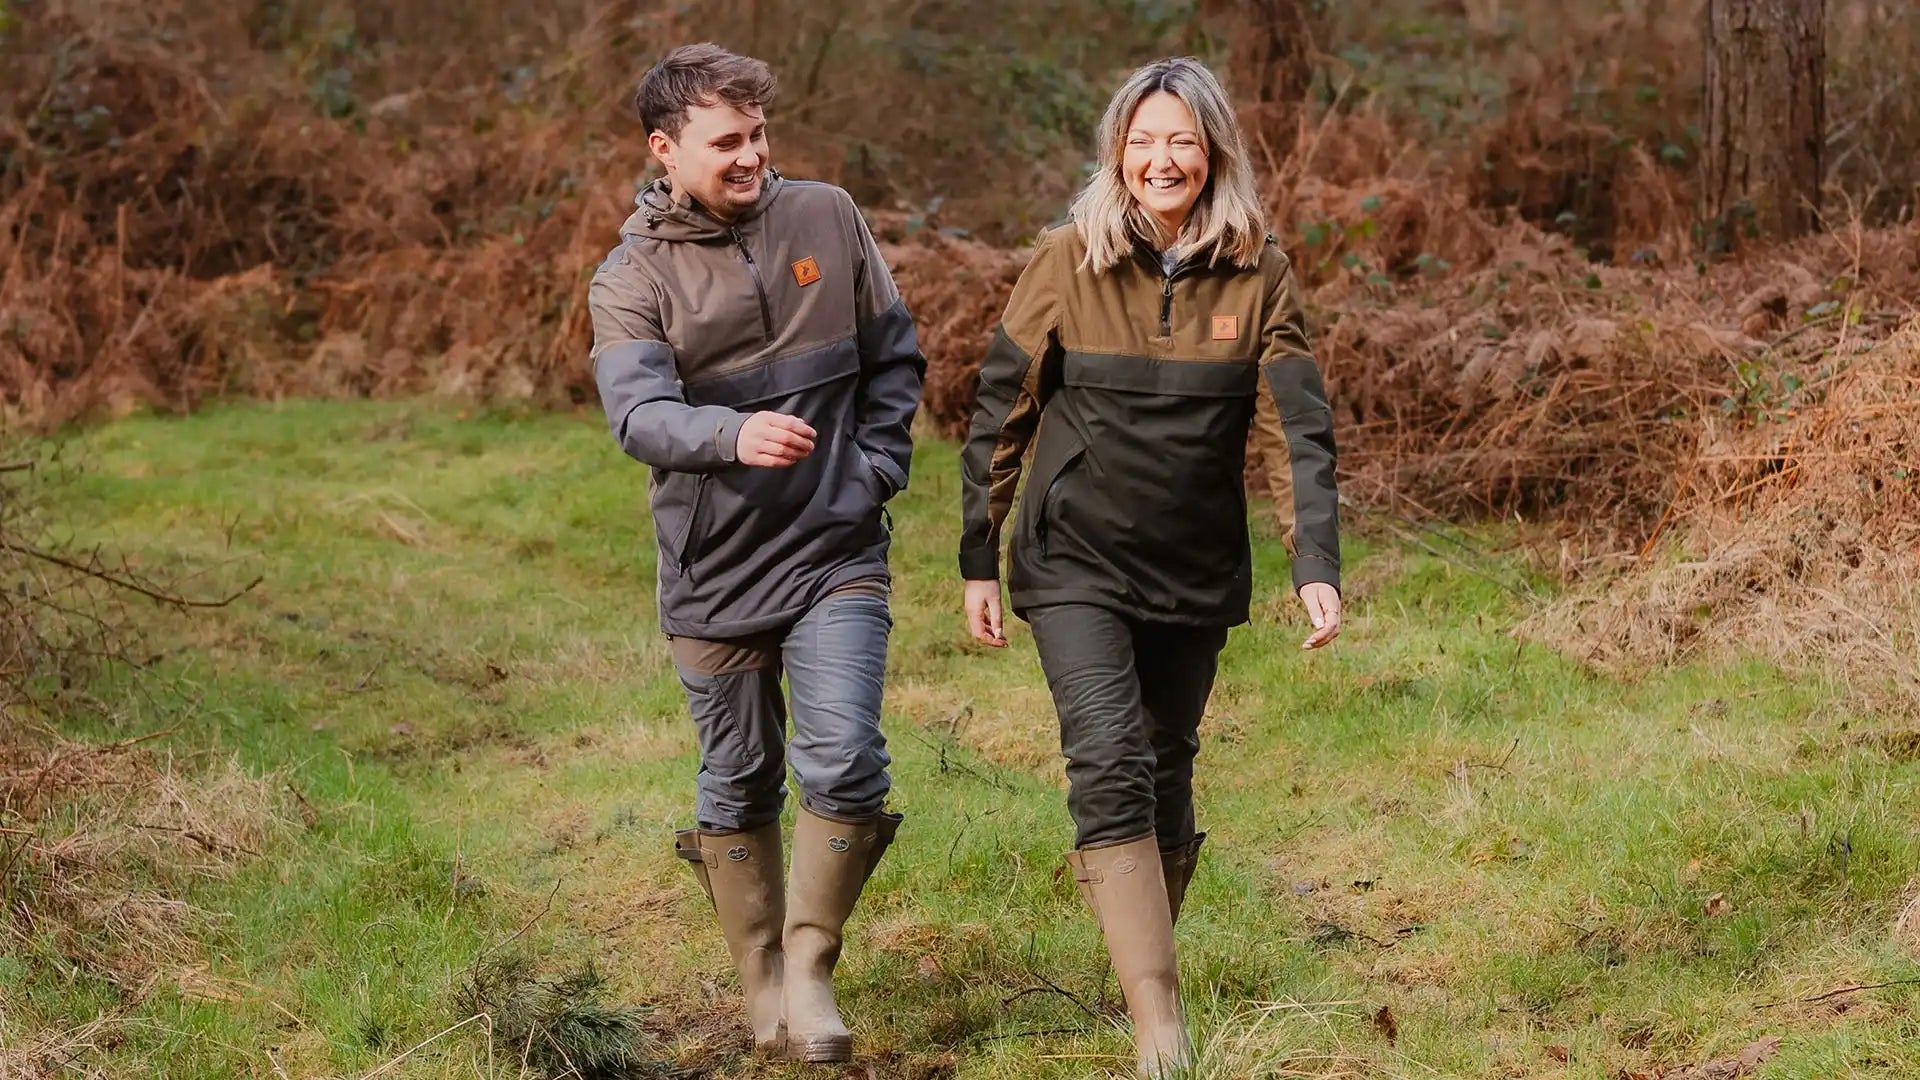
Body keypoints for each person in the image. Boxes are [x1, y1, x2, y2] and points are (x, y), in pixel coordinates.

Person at [956, 56, 1342, 1077]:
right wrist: (977, 555)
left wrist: (1315, 559)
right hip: (1073, 553)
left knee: (1168, 763)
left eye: (1181, 141)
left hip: (1193, 561)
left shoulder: (1259, 269)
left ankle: (1139, 962)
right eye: (1142, 141)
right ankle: (1158, 1022)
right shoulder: (1063, 260)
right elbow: (1001, 411)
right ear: (1116, 153)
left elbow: (1295, 431)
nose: (1160, 160)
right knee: (1109, 755)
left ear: (1212, 152)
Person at [588, 43, 925, 1063]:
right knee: (737, 781)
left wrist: (869, 474)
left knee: (846, 759)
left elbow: (894, 357)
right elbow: (639, 415)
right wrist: (729, 436)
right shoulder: (631, 277)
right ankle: (761, 976)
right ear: (665, 148)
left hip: (834, 548)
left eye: (759, 134)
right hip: (714, 570)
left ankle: (812, 969)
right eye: (726, 141)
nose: (752, 157)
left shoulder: (826, 215)